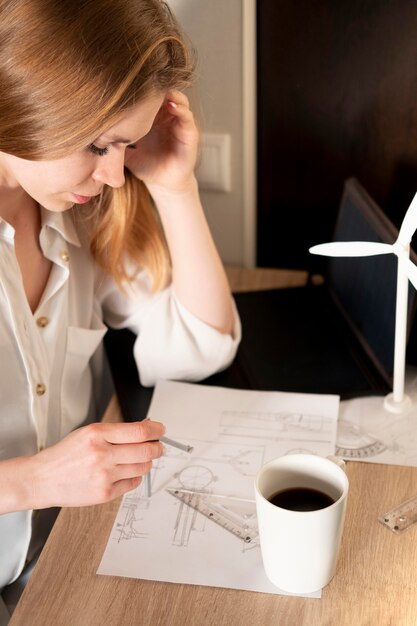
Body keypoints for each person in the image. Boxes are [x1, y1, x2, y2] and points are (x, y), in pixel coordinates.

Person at [0, 0, 240, 617]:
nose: (113, 174)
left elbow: (200, 345)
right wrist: (30, 481)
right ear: (26, 105)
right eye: (96, 145)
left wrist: (174, 186)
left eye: (124, 147)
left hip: (59, 557)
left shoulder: (73, 209)